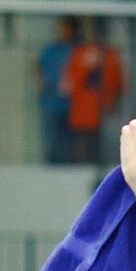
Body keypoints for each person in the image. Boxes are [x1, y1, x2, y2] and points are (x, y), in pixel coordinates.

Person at [62, 16, 124, 164]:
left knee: (101, 145)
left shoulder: (109, 54)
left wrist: (113, 103)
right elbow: (70, 82)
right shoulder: (79, 53)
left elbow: (117, 82)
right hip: (81, 110)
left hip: (103, 111)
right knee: (81, 143)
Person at [37, 15, 76, 163]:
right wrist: (42, 83)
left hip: (71, 103)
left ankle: (68, 163)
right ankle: (51, 163)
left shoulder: (75, 50)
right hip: (52, 101)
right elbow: (37, 67)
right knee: (51, 135)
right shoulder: (51, 50)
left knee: (68, 138)